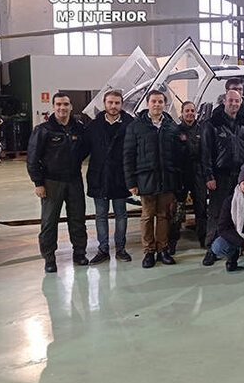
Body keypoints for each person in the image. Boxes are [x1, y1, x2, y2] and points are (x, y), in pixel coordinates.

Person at [27, 92, 89, 273]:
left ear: (71, 107)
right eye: (59, 105)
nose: (62, 108)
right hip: (51, 182)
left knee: (78, 219)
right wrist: (38, 183)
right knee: (49, 222)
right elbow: (32, 159)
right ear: (53, 107)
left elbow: (84, 149)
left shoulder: (78, 128)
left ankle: (79, 253)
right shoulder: (43, 130)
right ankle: (49, 258)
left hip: (74, 180)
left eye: (66, 104)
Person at [123, 90, 182, 268]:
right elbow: (128, 155)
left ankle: (162, 249)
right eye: (154, 101)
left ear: (164, 104)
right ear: (147, 104)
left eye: (160, 102)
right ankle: (149, 252)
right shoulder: (136, 127)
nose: (157, 104)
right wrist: (131, 182)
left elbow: (177, 155)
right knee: (147, 216)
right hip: (145, 178)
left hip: (166, 179)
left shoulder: (172, 126)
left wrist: (177, 180)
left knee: (164, 216)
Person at [202, 89, 244, 258]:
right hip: (220, 176)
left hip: (241, 178)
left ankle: (236, 245)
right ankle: (212, 248)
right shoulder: (212, 124)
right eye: (231, 100)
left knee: (240, 211)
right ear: (224, 101)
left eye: (237, 101)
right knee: (217, 212)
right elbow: (205, 153)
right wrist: (209, 176)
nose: (234, 104)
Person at [84, 90, 133, 264]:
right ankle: (103, 249)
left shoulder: (130, 125)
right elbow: (82, 150)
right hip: (99, 177)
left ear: (122, 104)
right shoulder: (93, 126)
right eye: (110, 102)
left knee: (121, 214)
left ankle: (121, 248)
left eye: (117, 103)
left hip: (120, 177)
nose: (113, 106)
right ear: (104, 104)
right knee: (101, 215)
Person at [168, 101, 207, 254]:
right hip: (182, 174)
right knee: (177, 211)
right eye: (187, 111)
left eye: (192, 110)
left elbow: (206, 153)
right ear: (182, 113)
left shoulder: (202, 130)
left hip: (199, 174)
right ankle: (172, 242)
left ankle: (204, 239)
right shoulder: (176, 131)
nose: (190, 113)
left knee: (201, 208)